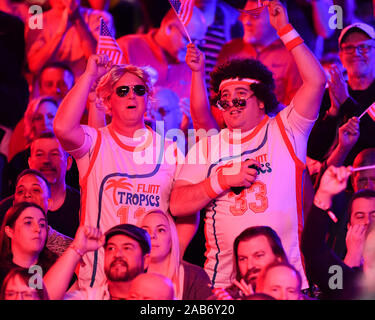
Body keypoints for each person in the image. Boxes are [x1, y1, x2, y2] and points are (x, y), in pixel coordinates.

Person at [171, 0, 326, 288]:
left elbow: (316, 82)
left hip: (286, 282)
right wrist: (222, 181)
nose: (230, 104)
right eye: (223, 99)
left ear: (262, 99)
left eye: (240, 96)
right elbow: (178, 204)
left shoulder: (287, 129)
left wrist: (285, 30)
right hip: (223, 286)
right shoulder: (209, 145)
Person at [53, 54, 191, 289]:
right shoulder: (94, 142)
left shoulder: (169, 149)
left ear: (148, 100)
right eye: (123, 90)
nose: (131, 95)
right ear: (107, 102)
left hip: (149, 284)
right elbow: (62, 127)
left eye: (139, 90)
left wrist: (171, 260)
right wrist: (89, 76)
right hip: (97, 282)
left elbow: (188, 213)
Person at [301, 165, 375, 299]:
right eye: (360, 216)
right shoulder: (343, 272)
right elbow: (313, 249)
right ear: (349, 226)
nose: (367, 222)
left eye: (374, 215)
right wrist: (354, 254)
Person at [308, 22, 375, 166]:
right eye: (349, 48)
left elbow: (370, 138)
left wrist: (346, 102)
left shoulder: (341, 94)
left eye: (363, 47)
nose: (356, 53)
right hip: (338, 180)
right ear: (341, 55)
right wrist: (333, 112)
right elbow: (313, 151)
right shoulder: (330, 94)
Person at [217, 0, 302, 108]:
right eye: (244, 15)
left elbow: (297, 109)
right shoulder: (230, 50)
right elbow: (216, 99)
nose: (246, 21)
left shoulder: (292, 57)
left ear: (275, 18)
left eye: (254, 17)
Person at [117, 5, 208, 103]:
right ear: (169, 28)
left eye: (199, 43)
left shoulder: (193, 65)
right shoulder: (127, 47)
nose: (193, 48)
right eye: (189, 40)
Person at [44, 223, 150, 300]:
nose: (117, 254)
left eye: (127, 248)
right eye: (111, 248)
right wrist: (77, 249)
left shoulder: (159, 295)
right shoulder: (89, 297)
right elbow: (43, 297)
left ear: (145, 261)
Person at [25, 0, 114, 79]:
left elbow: (100, 61)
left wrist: (78, 19)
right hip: (49, 92)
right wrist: (60, 33)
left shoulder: (100, 18)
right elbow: (34, 66)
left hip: (87, 88)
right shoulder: (36, 21)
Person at [139, 210, 212, 300]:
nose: (152, 235)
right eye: (145, 230)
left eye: (160, 230)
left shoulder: (195, 276)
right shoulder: (130, 275)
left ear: (172, 237)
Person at [0, 169, 73, 257]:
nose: (27, 194)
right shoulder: (3, 245)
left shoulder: (70, 250)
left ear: (49, 203)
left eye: (35, 190)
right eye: (21, 191)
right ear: (14, 203)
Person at [213, 226, 288, 299]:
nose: (250, 266)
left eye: (259, 255)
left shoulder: (291, 294)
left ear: (278, 258)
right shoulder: (225, 297)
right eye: (243, 259)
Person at [5, 96, 59, 195]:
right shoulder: (18, 162)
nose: (45, 122)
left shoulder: (70, 157)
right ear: (31, 123)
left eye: (50, 116)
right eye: (38, 118)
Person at [0, 202, 58, 287]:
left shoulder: (56, 267)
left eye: (42, 224)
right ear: (9, 231)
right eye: (28, 223)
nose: (38, 229)